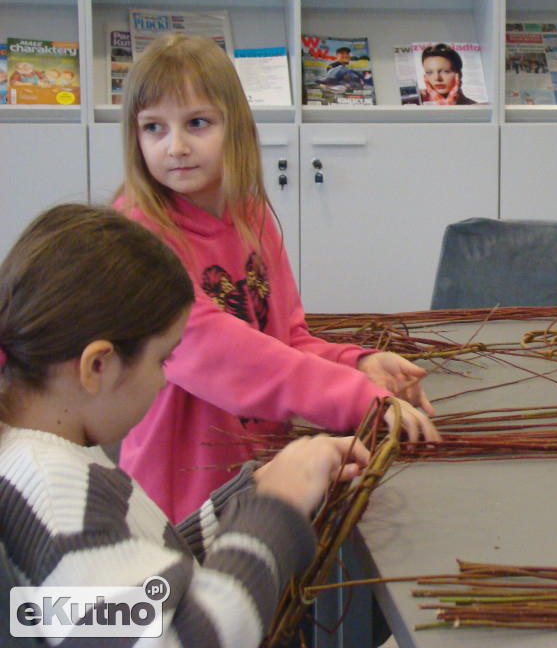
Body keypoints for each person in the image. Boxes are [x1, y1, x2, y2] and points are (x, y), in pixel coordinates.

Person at [0, 203, 371, 645]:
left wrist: (248, 496)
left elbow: (149, 584)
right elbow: (181, 636)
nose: (163, 379)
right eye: (163, 359)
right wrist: (276, 511)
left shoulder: (47, 462)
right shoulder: (57, 497)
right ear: (97, 366)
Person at [115, 34, 439, 523]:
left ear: (236, 126)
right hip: (177, 504)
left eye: (196, 123)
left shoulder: (252, 217)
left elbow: (285, 342)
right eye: (153, 128)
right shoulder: (138, 239)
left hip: (263, 477)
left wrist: (359, 364)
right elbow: (225, 357)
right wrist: (357, 398)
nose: (175, 147)